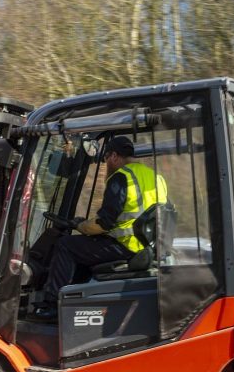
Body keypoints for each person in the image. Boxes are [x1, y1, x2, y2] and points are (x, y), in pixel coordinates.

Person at [30, 135, 167, 322]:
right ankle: (73, 299)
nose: (106, 165)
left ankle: (52, 306)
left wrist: (80, 225)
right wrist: (85, 224)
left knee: (65, 245)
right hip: (144, 246)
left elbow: (105, 223)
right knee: (84, 249)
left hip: (124, 246)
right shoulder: (156, 177)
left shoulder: (121, 177)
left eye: (105, 160)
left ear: (113, 157)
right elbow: (129, 215)